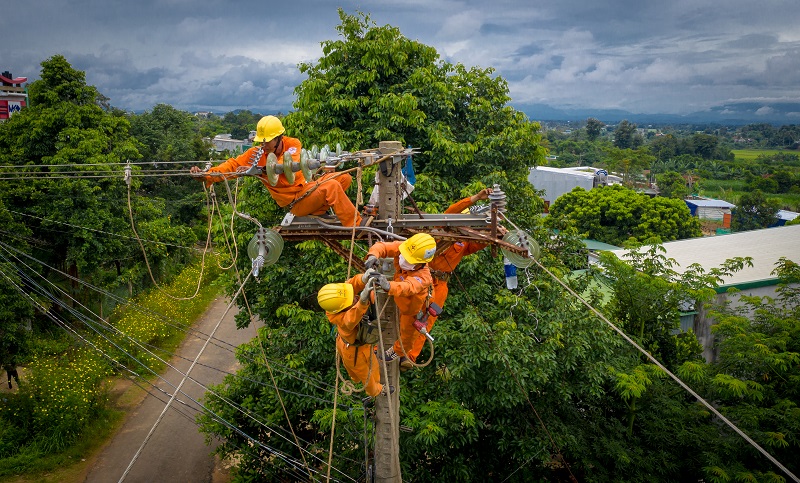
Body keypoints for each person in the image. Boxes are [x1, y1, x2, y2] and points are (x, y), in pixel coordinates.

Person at [191, 115, 363, 227]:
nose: (263, 145)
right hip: (296, 202)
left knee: (344, 178)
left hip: (306, 190)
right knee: (331, 186)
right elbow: (231, 165)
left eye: (267, 141)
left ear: (279, 138)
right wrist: (207, 175)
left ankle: (318, 211)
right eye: (261, 141)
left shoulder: (292, 144)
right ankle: (356, 226)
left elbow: (287, 163)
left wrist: (261, 170)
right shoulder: (257, 154)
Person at [404, 188, 506, 369]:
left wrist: (497, 233)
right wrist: (475, 198)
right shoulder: (442, 227)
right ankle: (398, 349)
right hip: (423, 278)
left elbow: (482, 242)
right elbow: (451, 212)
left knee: (426, 321)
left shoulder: (466, 241)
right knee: (408, 313)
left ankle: (410, 356)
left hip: (441, 284)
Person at [363, 233, 436, 366]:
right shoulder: (406, 248)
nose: (403, 259)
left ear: (420, 262)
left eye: (408, 259)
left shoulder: (423, 277)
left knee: (407, 337)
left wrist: (388, 285)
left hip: (412, 309)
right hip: (400, 298)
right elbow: (383, 246)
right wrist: (373, 255)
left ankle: (398, 351)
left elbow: (406, 287)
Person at [318, 273, 386, 398]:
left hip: (344, 343)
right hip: (355, 352)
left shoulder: (336, 299)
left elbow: (351, 284)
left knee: (360, 370)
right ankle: (377, 391)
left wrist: (363, 278)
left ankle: (354, 378)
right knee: (368, 376)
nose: (354, 298)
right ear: (342, 309)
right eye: (351, 300)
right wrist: (362, 301)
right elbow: (352, 317)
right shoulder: (343, 320)